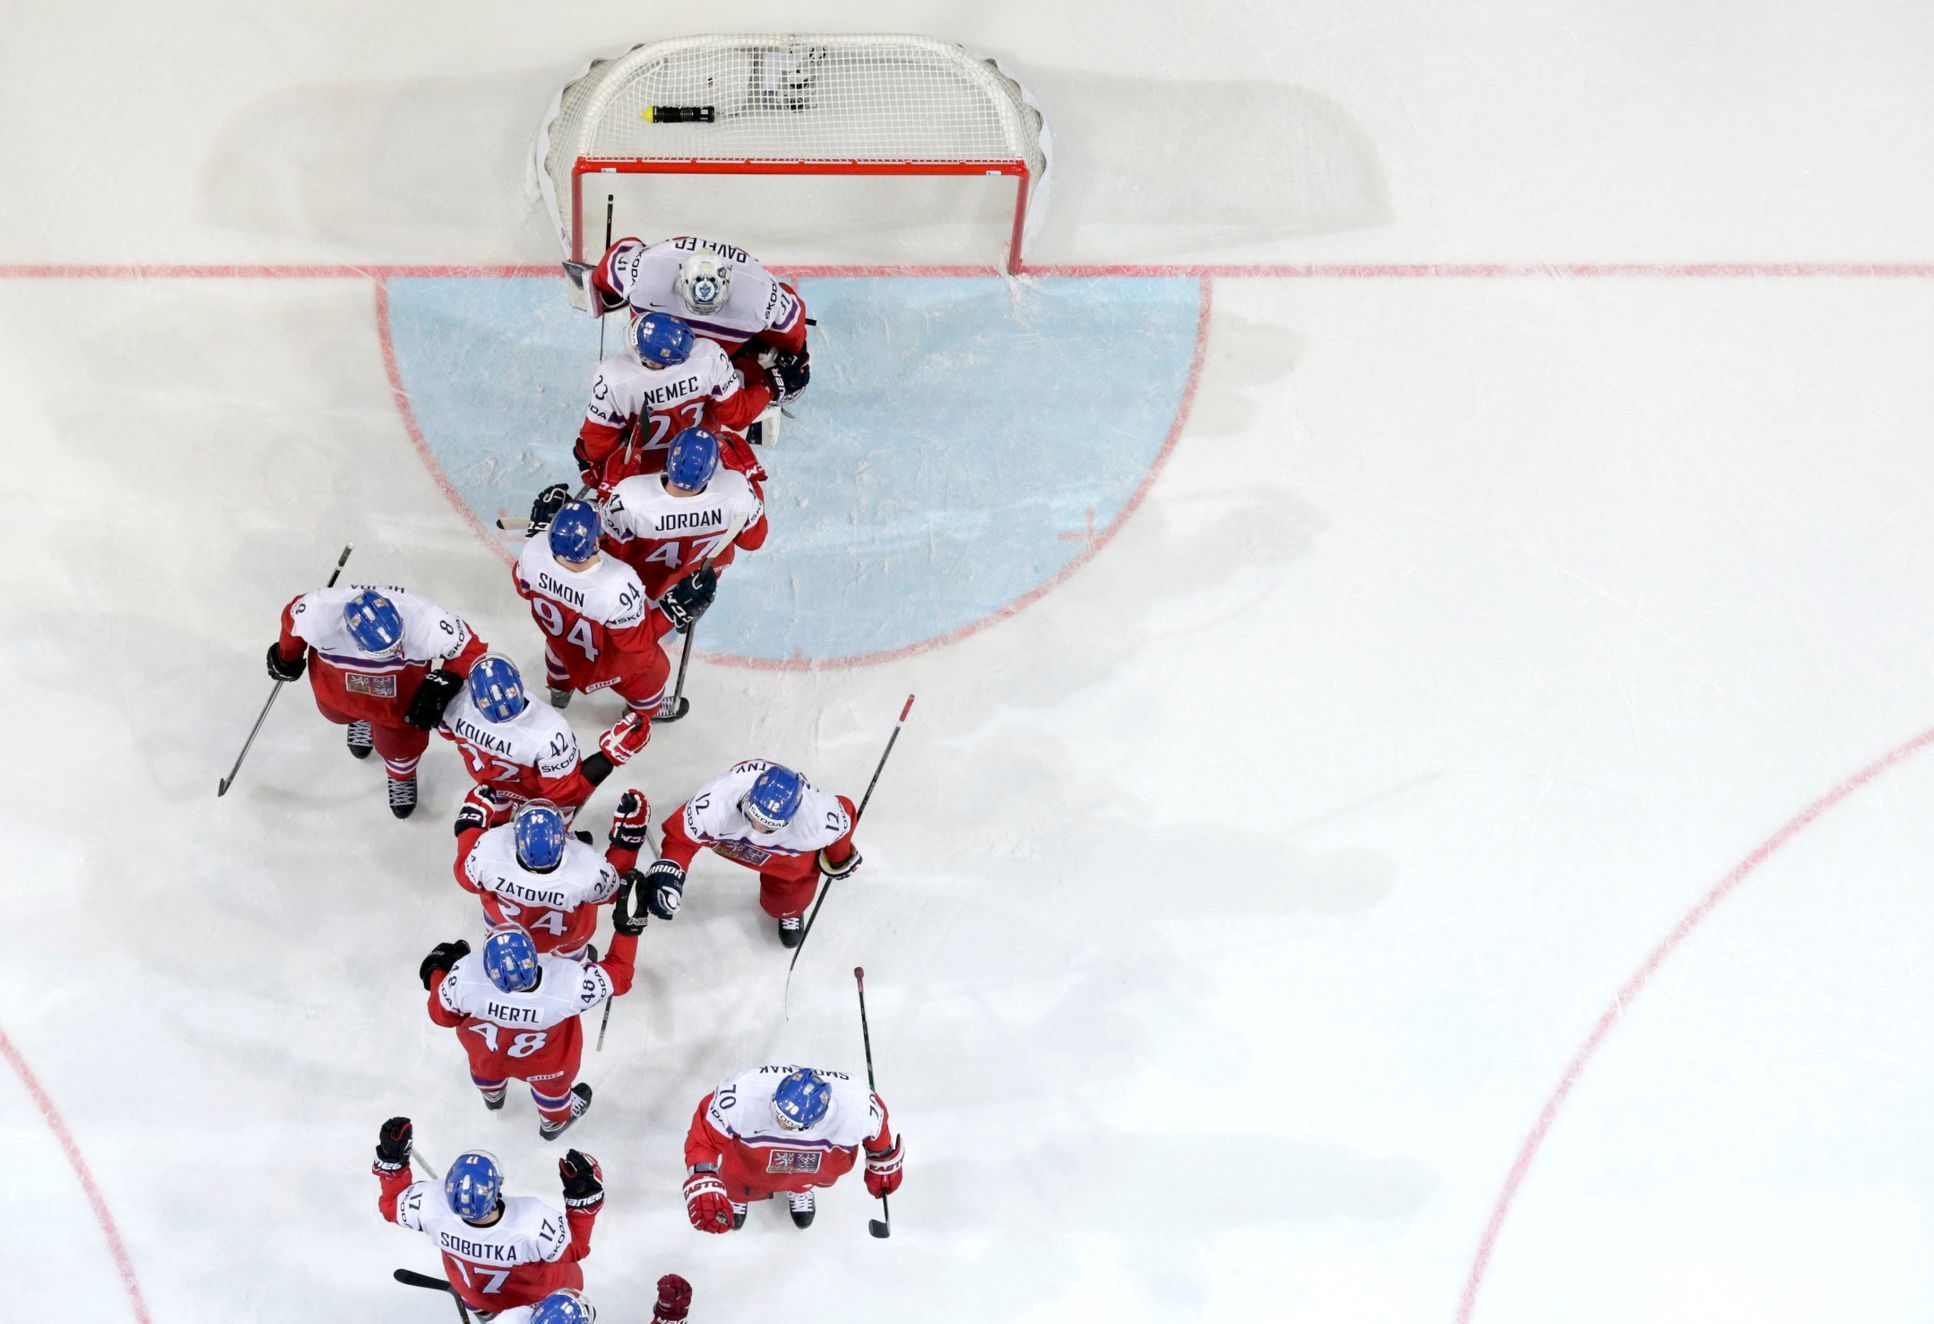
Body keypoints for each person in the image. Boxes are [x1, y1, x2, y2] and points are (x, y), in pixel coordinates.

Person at [418, 877, 648, 1138]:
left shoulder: (466, 976)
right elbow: (620, 976)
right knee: (553, 1090)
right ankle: (553, 1121)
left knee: (487, 1068)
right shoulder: (568, 985)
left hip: (489, 1054)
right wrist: (628, 930)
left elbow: (441, 1016)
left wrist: (438, 971)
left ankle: (492, 1093)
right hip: (548, 1064)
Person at [266, 584, 486, 817]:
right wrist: (286, 656)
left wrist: (446, 679)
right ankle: (361, 719)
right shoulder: (319, 612)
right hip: (339, 694)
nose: (399, 650)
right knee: (336, 713)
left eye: (398, 641)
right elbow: (292, 621)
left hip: (398, 706)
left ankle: (401, 775)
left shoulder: (425, 618)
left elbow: (471, 649)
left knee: (400, 747)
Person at [371, 1118, 604, 1316]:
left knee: (483, 1308)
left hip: (474, 1296)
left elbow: (392, 1205)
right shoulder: (531, 1223)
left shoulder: (431, 1206)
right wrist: (584, 1194)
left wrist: (393, 1161)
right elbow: (576, 1247)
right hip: (537, 1306)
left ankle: (487, 1315)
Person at [512, 500, 714, 720]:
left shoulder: (533, 550)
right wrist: (672, 610)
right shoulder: (618, 584)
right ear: (596, 544)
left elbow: (523, 588)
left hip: (561, 645)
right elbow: (637, 640)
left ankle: (560, 692)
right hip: (611, 663)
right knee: (653, 674)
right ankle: (640, 715)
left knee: (559, 660)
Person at [641, 760, 860, 947]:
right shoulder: (717, 800)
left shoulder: (817, 820)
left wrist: (838, 858)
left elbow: (845, 815)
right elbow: (682, 838)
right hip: (730, 838)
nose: (757, 829)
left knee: (784, 898)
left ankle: (788, 911)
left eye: (768, 826)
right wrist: (670, 872)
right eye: (753, 817)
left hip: (784, 855)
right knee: (709, 829)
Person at [438, 653, 649, 829]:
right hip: (534, 796)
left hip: (490, 790)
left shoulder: (453, 704)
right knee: (552, 830)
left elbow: (446, 733)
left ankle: (496, 829)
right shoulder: (550, 730)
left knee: (496, 823)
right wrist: (608, 758)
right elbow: (565, 794)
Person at [573, 312, 776, 495]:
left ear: (653, 362)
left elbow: (597, 443)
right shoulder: (707, 355)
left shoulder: (615, 377)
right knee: (738, 379)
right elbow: (738, 416)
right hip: (698, 457)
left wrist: (593, 461)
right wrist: (771, 385)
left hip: (641, 472)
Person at [682, 1065, 902, 1232]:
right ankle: (738, 1196)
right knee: (739, 1177)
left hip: (815, 1160)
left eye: (790, 1123)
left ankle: (800, 1189)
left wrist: (882, 1162)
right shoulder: (743, 1095)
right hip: (750, 1157)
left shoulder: (857, 1107)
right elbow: (704, 1136)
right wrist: (703, 1176)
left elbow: (878, 1133)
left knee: (807, 1175)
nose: (781, 1123)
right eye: (778, 1112)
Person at [454, 794, 652, 959]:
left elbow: (466, 878)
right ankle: (576, 962)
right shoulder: (587, 866)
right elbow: (615, 891)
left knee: (506, 961)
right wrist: (628, 841)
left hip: (503, 931)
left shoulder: (491, 849)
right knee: (571, 969)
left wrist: (470, 825)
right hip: (568, 938)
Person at [602, 428, 768, 600]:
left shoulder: (630, 495)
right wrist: (751, 477)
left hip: (640, 590)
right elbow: (754, 541)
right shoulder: (737, 490)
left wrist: (607, 496)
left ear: (668, 459)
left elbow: (607, 553)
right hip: (699, 586)